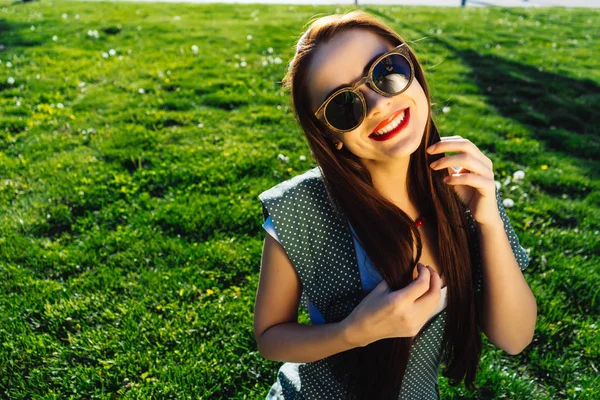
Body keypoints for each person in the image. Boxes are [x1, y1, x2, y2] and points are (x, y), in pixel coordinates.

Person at [253, 10, 536, 400]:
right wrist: (354, 331)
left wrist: (488, 221)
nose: (377, 105)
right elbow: (270, 337)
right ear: (330, 135)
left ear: (414, 70)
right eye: (343, 105)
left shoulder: (466, 186)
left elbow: (515, 337)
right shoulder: (302, 208)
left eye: (387, 71)